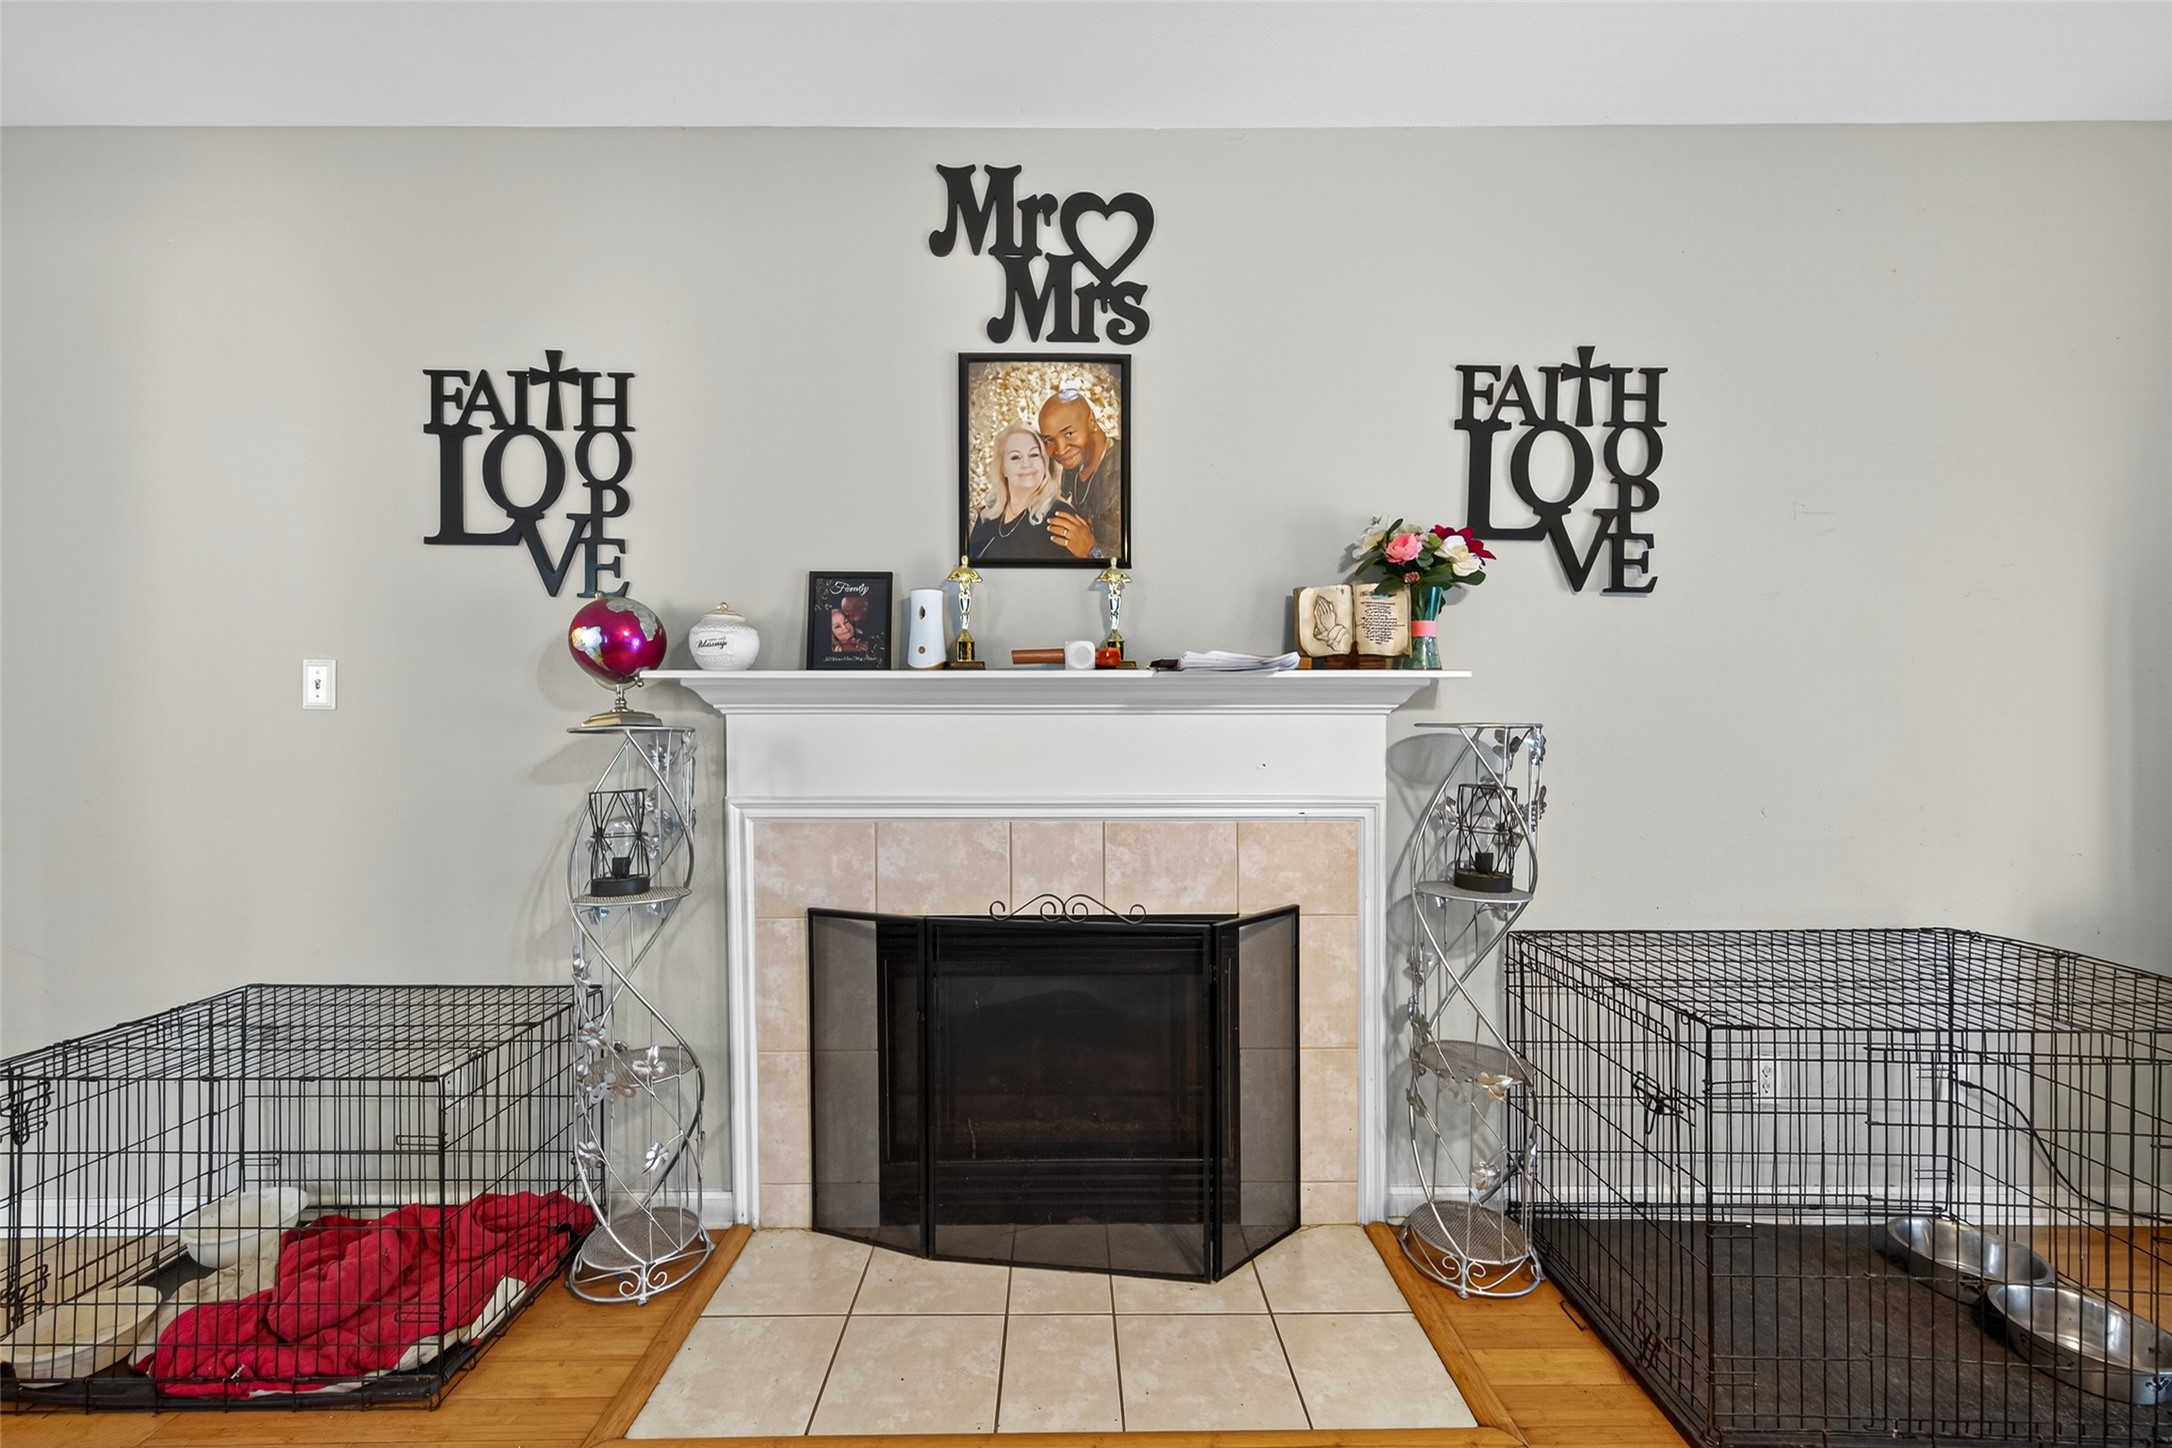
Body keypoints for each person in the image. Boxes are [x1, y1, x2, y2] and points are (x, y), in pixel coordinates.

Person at [968, 424, 1084, 561]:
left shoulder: (1061, 515)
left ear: (1045, 463)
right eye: (1015, 457)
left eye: (1034, 454)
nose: (1026, 464)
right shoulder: (987, 516)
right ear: (1002, 468)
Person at [1038, 385, 1122, 560]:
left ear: (1092, 421)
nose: (1060, 450)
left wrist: (1091, 551)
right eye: (1049, 439)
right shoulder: (1072, 468)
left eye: (1068, 433)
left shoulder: (1123, 473)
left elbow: (1138, 559)